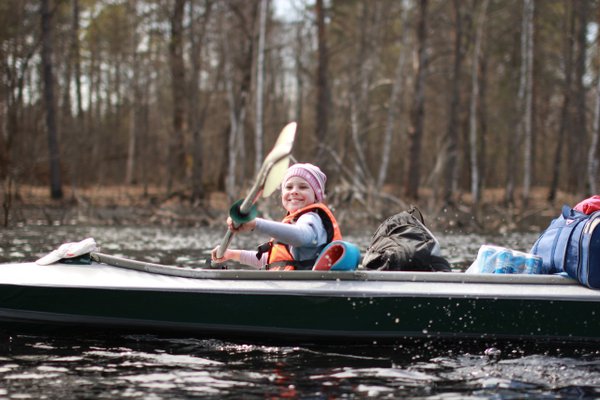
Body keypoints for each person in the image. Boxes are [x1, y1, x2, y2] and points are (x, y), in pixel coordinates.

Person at [211, 163, 342, 270]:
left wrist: (256, 223)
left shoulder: (311, 218)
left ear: (316, 197)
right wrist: (233, 254)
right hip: (293, 288)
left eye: (303, 187)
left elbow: (301, 236)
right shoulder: (293, 222)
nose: (294, 191)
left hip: (309, 292)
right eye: (289, 187)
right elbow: (272, 261)